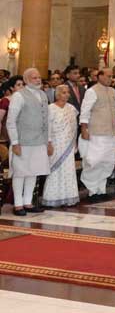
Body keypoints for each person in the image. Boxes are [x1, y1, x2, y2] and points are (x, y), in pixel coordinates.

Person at [7, 68, 50, 215]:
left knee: (34, 172)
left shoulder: (43, 94)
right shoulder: (19, 96)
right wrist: (15, 142)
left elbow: (47, 120)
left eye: (39, 77)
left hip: (39, 141)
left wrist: (48, 141)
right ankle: (18, 205)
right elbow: (11, 121)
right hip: (23, 141)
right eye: (34, 78)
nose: (38, 80)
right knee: (20, 172)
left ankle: (28, 202)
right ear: (26, 80)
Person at [78, 68, 115, 200]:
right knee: (94, 161)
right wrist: (84, 129)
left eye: (112, 76)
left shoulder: (113, 91)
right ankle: (92, 191)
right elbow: (85, 111)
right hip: (96, 133)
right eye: (107, 76)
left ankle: (101, 189)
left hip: (110, 133)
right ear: (99, 76)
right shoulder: (92, 91)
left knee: (108, 162)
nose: (110, 79)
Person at [42, 85, 79, 207]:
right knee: (55, 170)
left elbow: (74, 128)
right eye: (64, 92)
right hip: (56, 143)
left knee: (69, 170)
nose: (67, 94)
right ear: (57, 95)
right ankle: (52, 198)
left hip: (68, 144)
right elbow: (46, 127)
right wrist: (48, 143)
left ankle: (68, 197)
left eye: (68, 92)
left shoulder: (72, 108)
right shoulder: (50, 108)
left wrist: (75, 143)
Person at [1, 76, 24, 150]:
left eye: (23, 84)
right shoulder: (6, 100)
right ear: (12, 88)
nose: (22, 87)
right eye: (18, 85)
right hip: (6, 136)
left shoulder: (25, 101)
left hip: (21, 135)